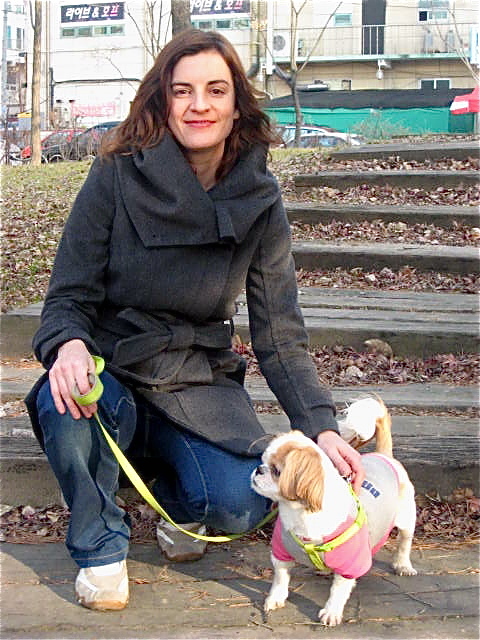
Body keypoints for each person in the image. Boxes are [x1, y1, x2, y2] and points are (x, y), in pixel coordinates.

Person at [26, 29, 364, 612]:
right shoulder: (115, 174)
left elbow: (280, 335)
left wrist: (321, 424)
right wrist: (70, 346)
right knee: (65, 393)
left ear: (237, 105)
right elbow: (67, 296)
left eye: (215, 90)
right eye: (182, 91)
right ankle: (100, 543)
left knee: (238, 503)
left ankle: (172, 497)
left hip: (196, 378)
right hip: (114, 369)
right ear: (162, 101)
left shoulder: (260, 198)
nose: (199, 104)